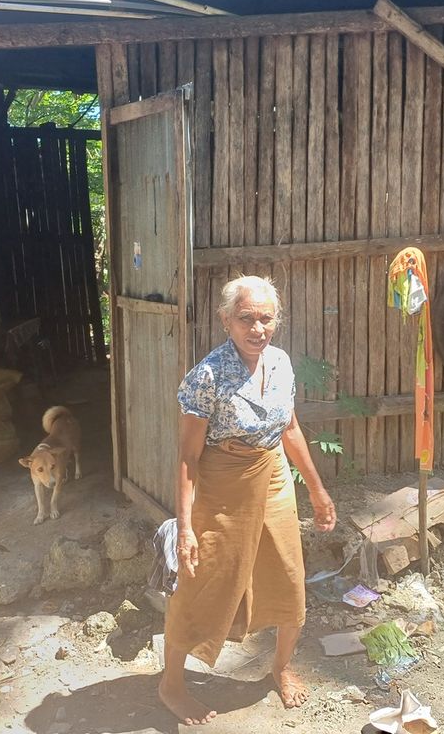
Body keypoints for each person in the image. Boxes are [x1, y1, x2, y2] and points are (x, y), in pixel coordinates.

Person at [158, 275, 337, 726]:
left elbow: (290, 428)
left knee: (289, 576)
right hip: (221, 487)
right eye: (245, 318)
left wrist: (317, 489)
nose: (257, 328)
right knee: (203, 581)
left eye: (266, 318)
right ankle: (171, 684)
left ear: (277, 320)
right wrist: (184, 527)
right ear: (225, 320)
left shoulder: (280, 363)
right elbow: (187, 457)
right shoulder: (207, 376)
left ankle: (279, 667)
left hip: (273, 478)